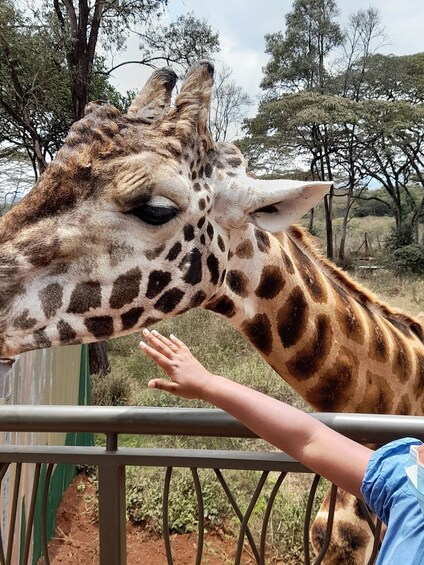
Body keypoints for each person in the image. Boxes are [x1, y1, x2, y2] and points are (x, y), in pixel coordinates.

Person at [139, 328, 424, 564]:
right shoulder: (407, 483)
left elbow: (308, 438)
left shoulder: (410, 488)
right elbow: (308, 437)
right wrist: (208, 384)